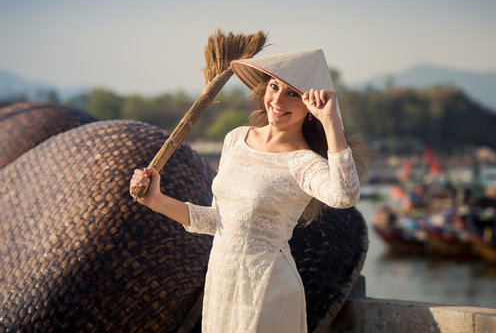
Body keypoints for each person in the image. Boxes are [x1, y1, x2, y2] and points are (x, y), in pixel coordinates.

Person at [130, 49, 368, 333]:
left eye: (293, 94)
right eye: (274, 86)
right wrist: (156, 200)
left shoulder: (302, 162)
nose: (278, 100)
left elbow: (345, 195)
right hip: (221, 281)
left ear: (310, 107)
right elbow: (218, 221)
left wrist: (331, 121)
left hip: (268, 288)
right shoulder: (236, 139)